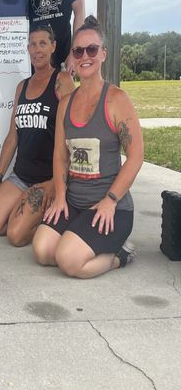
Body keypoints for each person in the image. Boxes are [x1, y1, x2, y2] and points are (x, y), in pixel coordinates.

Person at [33, 16, 144, 278]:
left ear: (103, 53)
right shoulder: (65, 104)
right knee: (42, 251)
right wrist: (60, 197)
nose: (85, 56)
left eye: (92, 50)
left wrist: (111, 200)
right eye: (78, 51)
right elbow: (60, 156)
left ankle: (119, 256)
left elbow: (136, 156)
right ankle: (80, 239)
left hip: (110, 207)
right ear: (72, 56)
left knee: (68, 260)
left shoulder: (116, 100)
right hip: (74, 203)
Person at [0, 25, 75, 246]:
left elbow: (74, 135)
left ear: (53, 47)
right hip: (21, 176)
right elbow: (12, 136)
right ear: (28, 48)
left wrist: (57, 182)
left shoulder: (62, 80)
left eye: (43, 43)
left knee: (15, 236)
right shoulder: (22, 87)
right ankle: (29, 216)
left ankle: (56, 223)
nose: (37, 49)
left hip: (48, 178)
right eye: (33, 44)